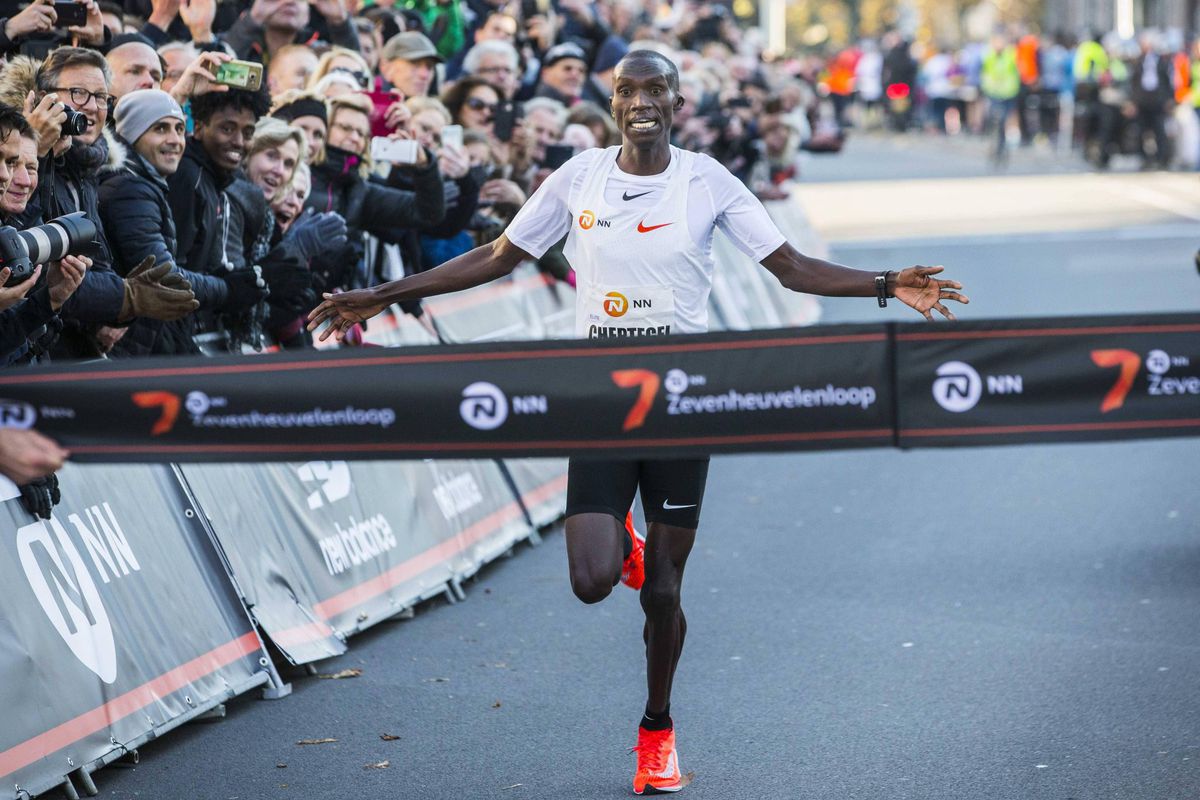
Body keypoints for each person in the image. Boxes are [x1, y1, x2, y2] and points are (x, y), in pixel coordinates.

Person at [308, 49, 968, 796]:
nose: (642, 102)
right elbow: (498, 255)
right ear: (615, 103)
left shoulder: (706, 180)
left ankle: (657, 727)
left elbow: (791, 268)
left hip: (683, 399)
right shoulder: (579, 176)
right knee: (592, 581)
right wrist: (388, 292)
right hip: (602, 396)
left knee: (663, 592)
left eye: (656, 90)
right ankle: (622, 540)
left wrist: (886, 284)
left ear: (678, 103)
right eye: (628, 91)